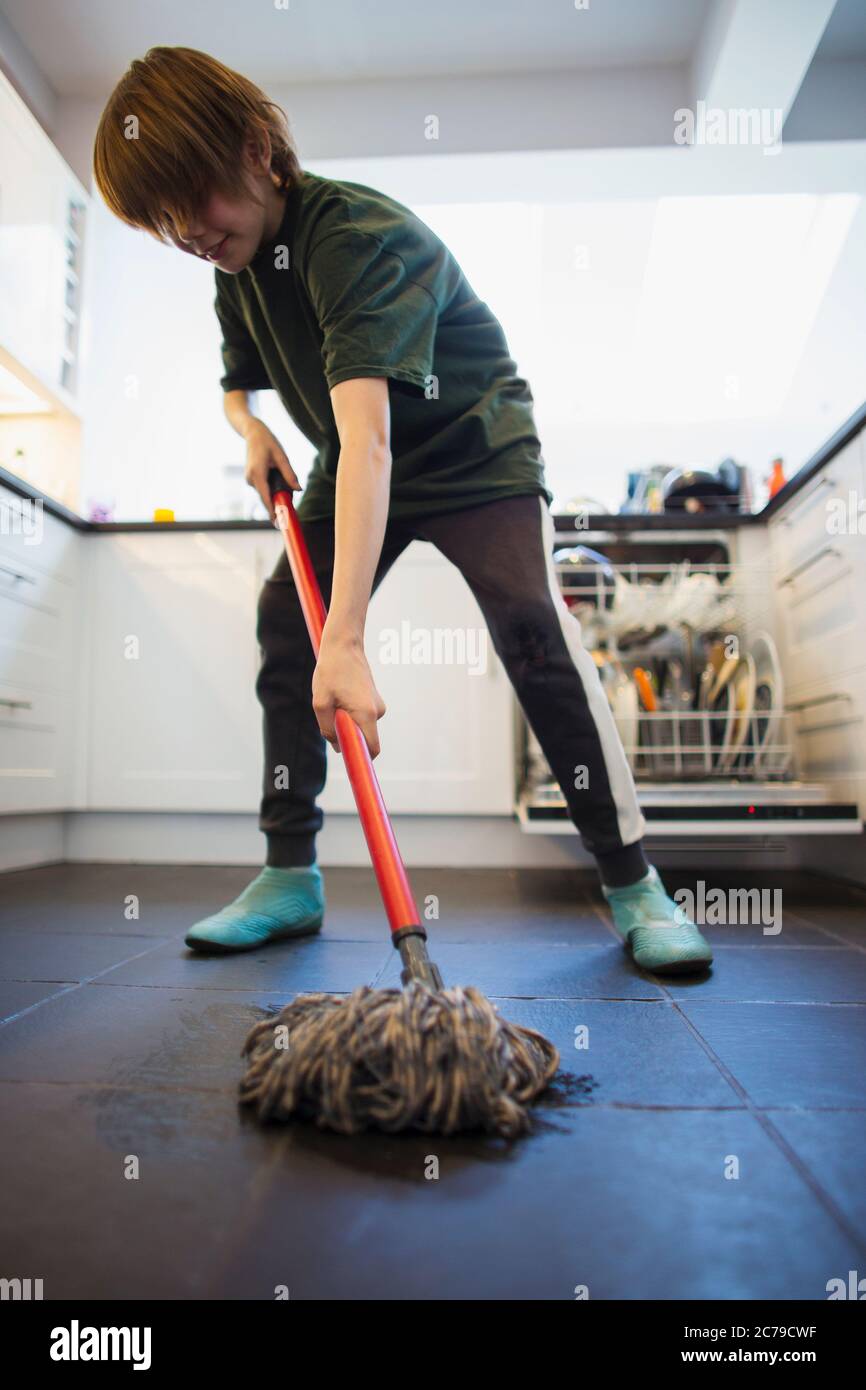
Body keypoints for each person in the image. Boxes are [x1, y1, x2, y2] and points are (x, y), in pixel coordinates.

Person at [93, 46, 712, 975]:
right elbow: (244, 383)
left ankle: (633, 884)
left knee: (528, 625)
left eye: (194, 201)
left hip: (472, 449)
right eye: (160, 222)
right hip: (360, 453)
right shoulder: (234, 263)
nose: (185, 232)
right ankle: (289, 873)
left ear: (258, 149)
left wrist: (346, 639)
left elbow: (374, 437)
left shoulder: (353, 236)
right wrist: (246, 427)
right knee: (282, 621)